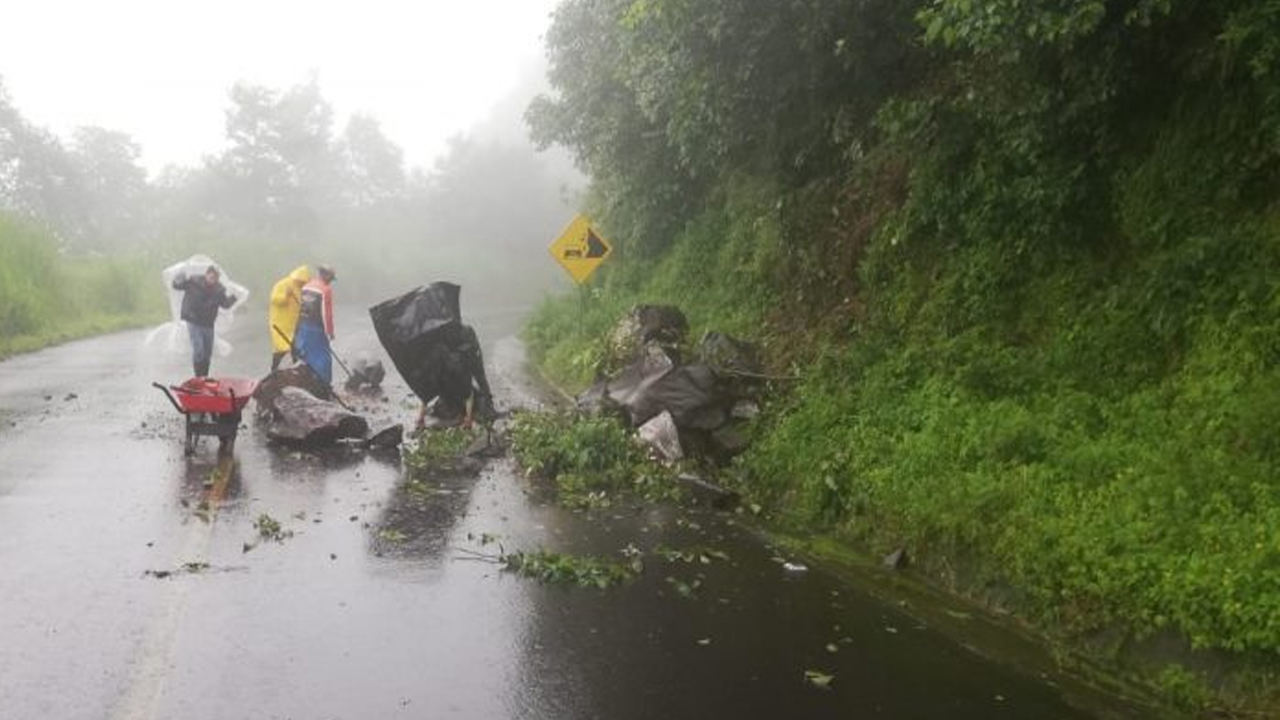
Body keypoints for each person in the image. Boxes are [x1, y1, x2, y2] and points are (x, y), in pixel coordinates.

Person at [415, 324, 495, 431]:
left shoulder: (459, 366)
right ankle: (458, 409)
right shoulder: (436, 369)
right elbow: (426, 395)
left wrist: (469, 418)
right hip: (452, 390)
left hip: (465, 372)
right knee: (442, 408)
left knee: (479, 381)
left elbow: (469, 394)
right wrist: (420, 418)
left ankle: (487, 406)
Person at [172, 264, 237, 378]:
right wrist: (179, 277)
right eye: (211, 276)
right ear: (207, 274)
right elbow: (176, 286)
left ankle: (204, 377)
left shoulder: (219, 289)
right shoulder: (193, 281)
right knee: (199, 350)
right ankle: (198, 378)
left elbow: (225, 304)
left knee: (207, 354)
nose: (213, 279)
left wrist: (234, 297)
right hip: (193, 321)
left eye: (215, 277)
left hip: (208, 324)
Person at [295, 264, 336, 384]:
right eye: (331, 278)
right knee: (323, 358)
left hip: (303, 327)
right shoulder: (325, 290)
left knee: (305, 356)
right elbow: (326, 314)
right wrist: (330, 333)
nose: (331, 281)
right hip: (317, 329)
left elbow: (300, 308)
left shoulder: (306, 286)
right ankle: (324, 384)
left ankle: (305, 382)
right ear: (326, 275)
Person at [268, 265, 311, 371]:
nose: (302, 283)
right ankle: (274, 369)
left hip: (294, 323)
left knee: (295, 346)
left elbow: (301, 303)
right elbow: (275, 300)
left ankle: (297, 368)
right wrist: (286, 295)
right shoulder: (282, 284)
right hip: (281, 323)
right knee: (282, 348)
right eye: (300, 281)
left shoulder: (300, 288)